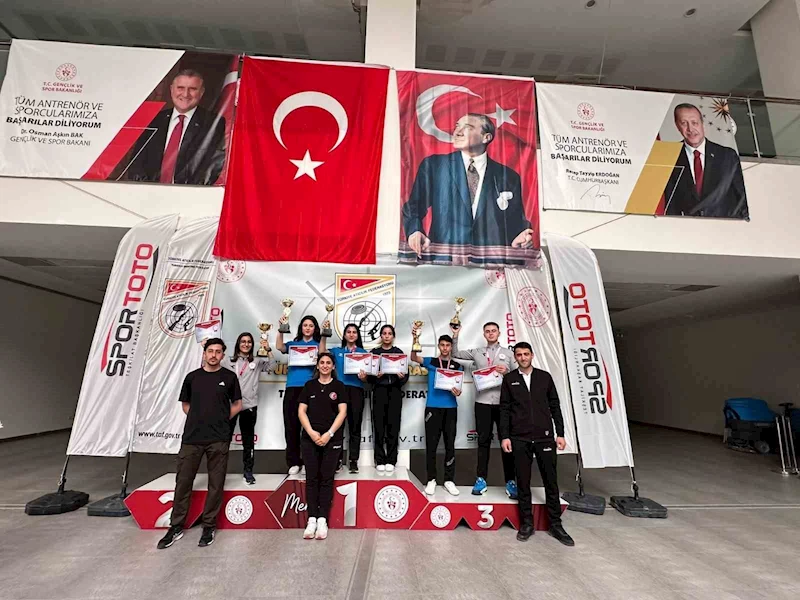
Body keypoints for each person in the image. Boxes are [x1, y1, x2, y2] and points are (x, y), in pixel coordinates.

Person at [402, 113, 533, 255]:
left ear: (486, 137)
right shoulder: (434, 166)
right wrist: (414, 231)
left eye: (468, 127)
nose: (457, 132)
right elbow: (413, 208)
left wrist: (521, 236)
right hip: (445, 258)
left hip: (491, 260)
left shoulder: (508, 176)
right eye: (457, 127)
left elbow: (515, 221)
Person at [157, 338, 242, 550]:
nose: (214, 355)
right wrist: (199, 419)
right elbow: (186, 405)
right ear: (204, 354)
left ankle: (209, 526)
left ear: (223, 355)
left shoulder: (229, 377)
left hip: (218, 439)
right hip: (192, 439)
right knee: (183, 482)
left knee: (216, 484)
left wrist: (221, 420)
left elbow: (238, 404)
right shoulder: (192, 377)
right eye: (210, 351)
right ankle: (176, 526)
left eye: (218, 352)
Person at [499, 342, 573, 546]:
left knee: (551, 481)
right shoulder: (509, 379)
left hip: (544, 437)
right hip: (519, 438)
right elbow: (504, 409)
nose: (523, 357)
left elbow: (555, 406)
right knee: (523, 482)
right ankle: (527, 524)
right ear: (515, 357)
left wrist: (560, 434)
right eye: (519, 355)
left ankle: (555, 525)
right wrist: (505, 436)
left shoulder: (544, 377)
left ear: (532, 355)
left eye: (526, 354)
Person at [450, 321, 518, 498]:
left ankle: (511, 481)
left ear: (499, 333)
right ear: (484, 334)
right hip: (482, 403)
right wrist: (455, 335)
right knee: (483, 442)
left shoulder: (509, 354)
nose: (491, 333)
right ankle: (481, 479)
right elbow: (455, 353)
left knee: (507, 442)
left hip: (504, 405)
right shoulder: (476, 352)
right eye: (487, 331)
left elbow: (518, 377)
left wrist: (507, 373)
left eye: (493, 331)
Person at [125, 69, 226, 185]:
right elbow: (137, 162)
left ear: (201, 92)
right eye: (180, 88)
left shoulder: (213, 123)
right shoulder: (155, 120)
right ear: (171, 89)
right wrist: (146, 187)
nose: (185, 94)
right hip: (148, 189)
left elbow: (212, 165)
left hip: (189, 192)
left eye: (192, 89)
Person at [665, 103, 748, 219]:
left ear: (702, 124)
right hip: (686, 226)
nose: (690, 129)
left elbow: (742, 197)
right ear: (677, 126)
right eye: (684, 123)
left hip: (722, 225)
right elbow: (668, 202)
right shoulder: (670, 157)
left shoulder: (727, 156)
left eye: (694, 123)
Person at [298, 352, 347, 541]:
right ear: (317, 366)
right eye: (322, 362)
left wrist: (329, 434)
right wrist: (311, 432)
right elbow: (301, 411)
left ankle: (322, 519)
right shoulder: (309, 386)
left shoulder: (339, 386)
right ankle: (311, 519)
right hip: (310, 438)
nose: (325, 365)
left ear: (333, 366)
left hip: (331, 439)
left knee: (326, 478)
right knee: (312, 479)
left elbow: (342, 412)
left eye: (328, 363)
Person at [410, 331, 462, 496]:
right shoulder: (431, 361)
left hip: (451, 408)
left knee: (449, 445)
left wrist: (457, 392)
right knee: (431, 445)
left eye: (448, 345)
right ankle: (431, 479)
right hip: (433, 408)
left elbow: (459, 388)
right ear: (439, 346)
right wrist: (415, 339)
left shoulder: (457, 366)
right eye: (442, 345)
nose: (445, 348)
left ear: (451, 347)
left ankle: (449, 480)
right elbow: (413, 357)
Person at [222, 332, 276, 485]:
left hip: (249, 406)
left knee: (248, 441)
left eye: (249, 342)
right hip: (230, 406)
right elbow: (210, 364)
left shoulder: (257, 361)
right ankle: (219, 471)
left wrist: (268, 349)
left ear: (252, 345)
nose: (246, 344)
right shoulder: (228, 361)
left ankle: (248, 471)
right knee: (224, 440)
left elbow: (272, 366)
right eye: (243, 341)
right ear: (238, 344)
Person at [277, 315, 328, 475]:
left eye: (311, 325)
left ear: (315, 328)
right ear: (301, 327)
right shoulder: (293, 344)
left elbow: (322, 353)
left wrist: (324, 336)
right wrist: (281, 329)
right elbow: (279, 347)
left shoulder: (317, 344)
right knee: (291, 426)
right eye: (305, 325)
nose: (307, 328)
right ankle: (293, 462)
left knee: (311, 426)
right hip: (292, 387)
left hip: (311, 388)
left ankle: (309, 462)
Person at [329, 324, 369, 474]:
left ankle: (353, 460)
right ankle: (337, 460)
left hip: (356, 390)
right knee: (337, 426)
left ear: (357, 336)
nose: (351, 334)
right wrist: (325, 335)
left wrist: (364, 378)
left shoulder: (364, 353)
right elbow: (320, 354)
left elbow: (367, 379)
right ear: (344, 335)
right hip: (339, 390)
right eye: (348, 332)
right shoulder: (336, 352)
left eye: (354, 332)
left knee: (355, 426)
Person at [369, 325, 408, 472]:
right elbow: (368, 377)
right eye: (384, 333)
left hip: (395, 392)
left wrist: (401, 377)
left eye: (389, 333)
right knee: (379, 427)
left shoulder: (399, 353)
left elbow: (406, 377)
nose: (386, 336)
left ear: (393, 336)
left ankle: (391, 460)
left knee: (393, 426)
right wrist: (375, 375)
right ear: (381, 336)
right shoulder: (374, 353)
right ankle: (379, 459)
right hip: (379, 391)